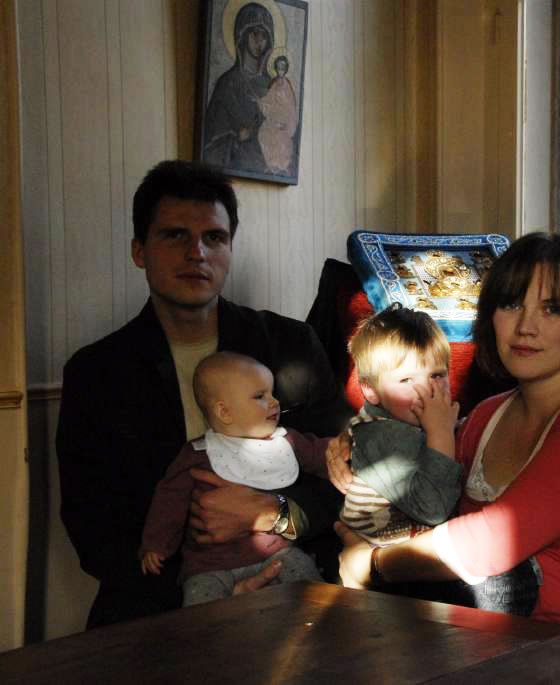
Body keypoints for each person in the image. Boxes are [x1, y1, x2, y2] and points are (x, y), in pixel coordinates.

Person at [57, 160, 344, 628]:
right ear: (139, 251)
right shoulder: (97, 373)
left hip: (288, 579)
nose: (197, 253)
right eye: (175, 236)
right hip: (158, 607)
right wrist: (206, 596)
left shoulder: (289, 345)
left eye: (214, 237)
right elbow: (93, 528)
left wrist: (275, 515)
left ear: (230, 247)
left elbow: (344, 475)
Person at [334, 231, 560, 627]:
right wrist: (349, 443)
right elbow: (418, 470)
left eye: (552, 308)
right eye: (511, 304)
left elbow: (494, 541)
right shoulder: (485, 415)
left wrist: (372, 564)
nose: (525, 326)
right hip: (466, 633)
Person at [140, 352, 330, 605]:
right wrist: (156, 544)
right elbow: (169, 501)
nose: (275, 402)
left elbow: (324, 454)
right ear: (224, 412)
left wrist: (345, 448)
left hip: (277, 553)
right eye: (260, 396)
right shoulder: (196, 454)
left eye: (272, 393)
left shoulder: (285, 441)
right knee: (201, 611)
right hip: (210, 566)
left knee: (312, 591)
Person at [340, 303, 462, 545]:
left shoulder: (404, 418)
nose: (426, 389)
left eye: (437, 375)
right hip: (385, 559)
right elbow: (433, 509)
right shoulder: (380, 435)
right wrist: (441, 432)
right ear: (371, 390)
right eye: (406, 380)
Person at [202, 2, 274, 172]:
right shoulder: (227, 83)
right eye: (255, 33)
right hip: (237, 163)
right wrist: (238, 137)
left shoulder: (274, 87)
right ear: (242, 35)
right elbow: (210, 144)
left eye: (264, 35)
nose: (259, 41)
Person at [258, 55, 299, 176]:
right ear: (276, 67)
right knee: (263, 133)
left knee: (281, 137)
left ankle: (282, 165)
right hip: (273, 118)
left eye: (283, 66)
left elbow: (291, 106)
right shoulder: (273, 83)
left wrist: (285, 122)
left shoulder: (287, 85)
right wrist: (260, 102)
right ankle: (270, 164)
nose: (281, 69)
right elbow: (268, 101)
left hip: (285, 119)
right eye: (279, 66)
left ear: (286, 68)